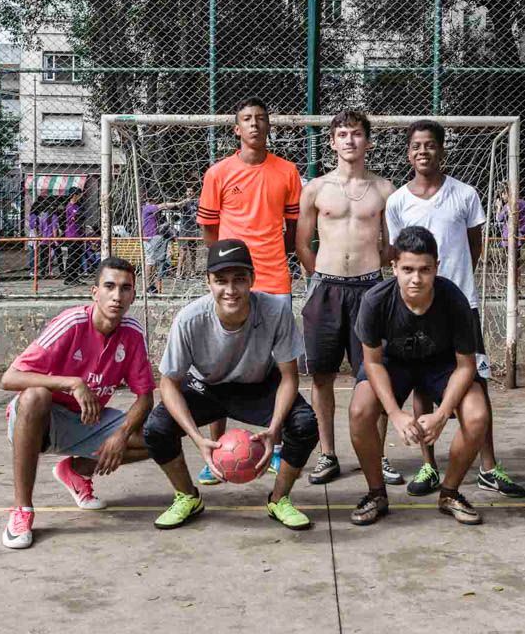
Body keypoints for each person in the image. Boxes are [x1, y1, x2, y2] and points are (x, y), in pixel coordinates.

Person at [384, 120, 525, 499]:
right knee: (420, 384)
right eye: (416, 146)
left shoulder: (465, 194)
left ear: (442, 151)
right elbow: (396, 253)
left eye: (430, 145)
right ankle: (428, 464)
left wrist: (455, 290)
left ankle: (488, 466)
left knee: (474, 384)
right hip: (417, 307)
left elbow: (474, 246)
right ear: (409, 153)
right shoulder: (397, 201)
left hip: (461, 304)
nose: (423, 152)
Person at [142, 239, 317, 531]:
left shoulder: (275, 311)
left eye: (239, 279)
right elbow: (169, 384)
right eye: (220, 281)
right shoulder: (189, 319)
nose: (230, 289)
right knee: (157, 429)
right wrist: (196, 438)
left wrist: (274, 430)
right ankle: (187, 496)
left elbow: (289, 377)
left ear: (252, 279)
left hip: (258, 384)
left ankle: (279, 499)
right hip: (205, 387)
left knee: (304, 424)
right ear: (208, 282)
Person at [0, 257, 155, 549]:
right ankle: (22, 510)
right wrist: (73, 383)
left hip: (86, 422)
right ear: (94, 292)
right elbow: (10, 378)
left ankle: (76, 470)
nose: (117, 295)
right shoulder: (72, 323)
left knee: (160, 435)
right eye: (109, 286)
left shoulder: (132, 333)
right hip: (42, 419)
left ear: (133, 295)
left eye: (125, 288)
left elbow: (145, 397)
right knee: (36, 396)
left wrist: (120, 436)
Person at [348, 226, 490, 526]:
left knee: (478, 415)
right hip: (393, 363)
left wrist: (441, 415)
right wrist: (395, 414)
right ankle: (376, 493)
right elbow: (372, 363)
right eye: (408, 269)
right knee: (360, 410)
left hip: (441, 365)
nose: (416, 278)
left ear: (437, 266)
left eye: (425, 270)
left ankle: (450, 493)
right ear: (394, 267)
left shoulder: (454, 300)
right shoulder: (376, 300)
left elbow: (466, 366)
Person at [193, 98, 302, 484]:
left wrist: (272, 257)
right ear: (236, 129)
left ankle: (276, 444)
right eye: (246, 120)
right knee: (217, 365)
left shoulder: (288, 172)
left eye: (260, 119)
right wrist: (223, 268)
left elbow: (291, 230)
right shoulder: (218, 173)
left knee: (277, 368)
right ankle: (216, 452)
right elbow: (210, 231)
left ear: (269, 126)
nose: (254, 124)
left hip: (273, 279)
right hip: (230, 283)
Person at [295, 110, 405, 486]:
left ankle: (379, 453)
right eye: (342, 134)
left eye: (356, 134)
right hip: (325, 289)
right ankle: (327, 454)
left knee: (375, 377)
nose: (349, 140)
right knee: (322, 376)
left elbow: (392, 247)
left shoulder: (385, 190)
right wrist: (321, 277)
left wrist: (376, 278)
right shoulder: (315, 188)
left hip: (370, 289)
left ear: (367, 142)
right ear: (332, 142)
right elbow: (302, 242)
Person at [140, 196, 191, 293]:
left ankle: (151, 285)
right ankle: (148, 286)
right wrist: (177, 204)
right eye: (154, 201)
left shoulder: (150, 211)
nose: (155, 203)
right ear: (150, 200)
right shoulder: (148, 208)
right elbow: (163, 205)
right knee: (150, 262)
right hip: (149, 239)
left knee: (153, 262)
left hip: (154, 238)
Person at [62, 187, 85, 285]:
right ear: (75, 195)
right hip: (72, 235)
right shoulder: (70, 206)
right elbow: (76, 217)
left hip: (78, 234)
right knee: (72, 257)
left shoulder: (77, 206)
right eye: (79, 194)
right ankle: (69, 278)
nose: (81, 196)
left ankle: (75, 277)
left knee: (78, 257)